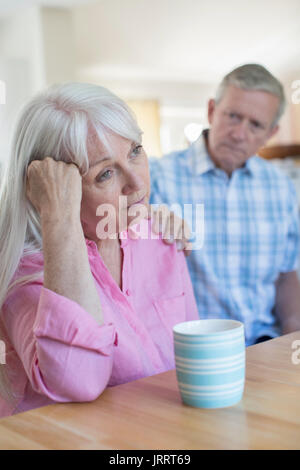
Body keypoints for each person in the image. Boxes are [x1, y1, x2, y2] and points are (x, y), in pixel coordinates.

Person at [0, 82, 198, 418]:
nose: (136, 183)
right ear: (54, 190)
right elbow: (78, 380)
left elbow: (190, 354)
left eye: (135, 151)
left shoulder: (159, 237)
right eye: (105, 173)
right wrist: (59, 217)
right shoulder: (25, 276)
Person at [149, 64, 300, 346]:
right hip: (187, 349)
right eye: (233, 116)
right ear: (211, 111)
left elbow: (286, 275)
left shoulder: (281, 188)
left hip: (264, 344)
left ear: (271, 133)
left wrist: (293, 340)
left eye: (255, 125)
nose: (239, 134)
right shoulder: (156, 177)